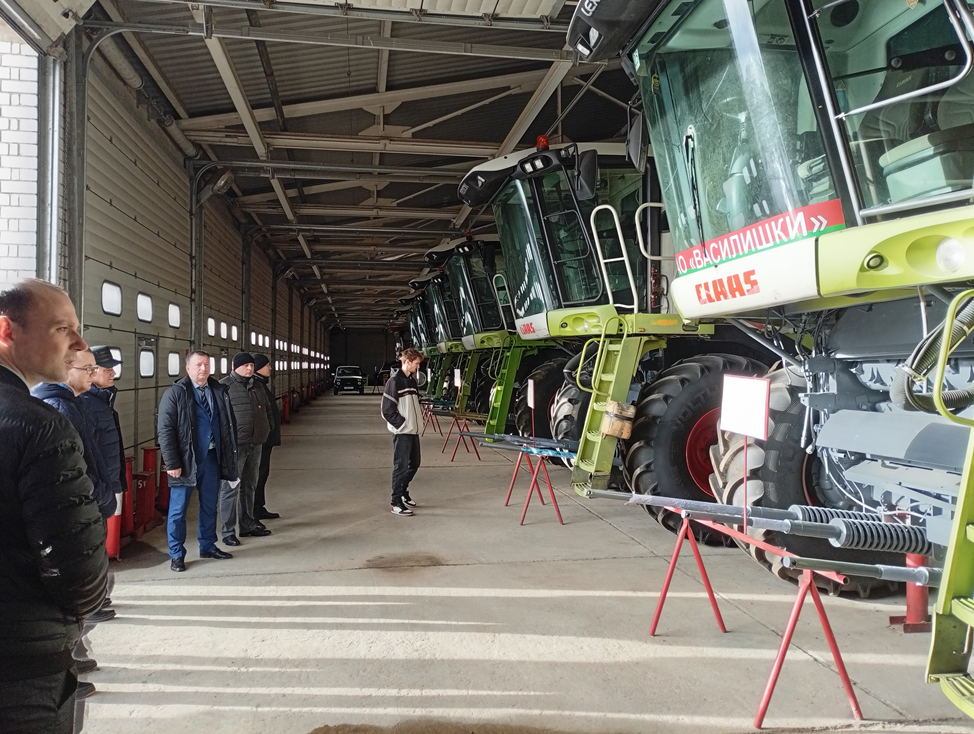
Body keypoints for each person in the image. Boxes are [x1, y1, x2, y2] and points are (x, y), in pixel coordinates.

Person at [0, 279, 108, 733]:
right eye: (63, 329)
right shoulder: (38, 425)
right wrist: (79, 609)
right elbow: (77, 566)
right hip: (21, 666)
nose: (79, 344)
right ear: (7, 330)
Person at [158, 351, 238, 572]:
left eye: (207, 364)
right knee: (178, 511)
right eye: (198, 365)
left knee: (209, 505)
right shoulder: (175, 393)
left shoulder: (218, 390)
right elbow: (165, 430)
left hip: (211, 458)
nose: (203, 368)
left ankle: (208, 545)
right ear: (188, 368)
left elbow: (227, 425)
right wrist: (172, 463)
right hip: (185, 460)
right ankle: (176, 554)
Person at [219, 352, 271, 544]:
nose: (249, 368)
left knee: (250, 485)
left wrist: (267, 429)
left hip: (255, 443)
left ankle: (247, 524)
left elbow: (266, 409)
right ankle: (228, 532)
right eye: (245, 365)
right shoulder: (224, 386)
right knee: (230, 487)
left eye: (251, 365)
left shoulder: (257, 386)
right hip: (235, 446)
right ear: (235, 367)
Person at [381, 348, 426, 516]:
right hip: (403, 433)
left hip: (413, 431)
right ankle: (396, 502)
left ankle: (403, 491)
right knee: (400, 466)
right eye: (416, 363)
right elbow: (387, 410)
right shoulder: (394, 382)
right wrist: (402, 425)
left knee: (414, 464)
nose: (418, 367)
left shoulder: (411, 381)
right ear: (407, 361)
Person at [252, 353, 281, 521]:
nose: (270, 367)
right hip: (259, 439)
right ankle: (253, 511)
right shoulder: (255, 386)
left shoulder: (261, 384)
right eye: (267, 365)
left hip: (266, 439)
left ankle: (259, 506)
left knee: (263, 473)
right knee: (257, 475)